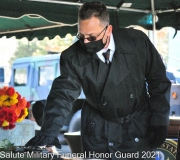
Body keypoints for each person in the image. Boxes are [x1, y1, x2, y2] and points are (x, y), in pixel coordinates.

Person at [26, 1, 171, 159]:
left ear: (108, 30)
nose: (86, 42)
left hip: (136, 125)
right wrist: (49, 132)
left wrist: (159, 120)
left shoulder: (137, 42)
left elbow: (159, 81)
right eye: (81, 36)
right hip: (98, 128)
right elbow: (62, 95)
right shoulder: (72, 57)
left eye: (92, 37)